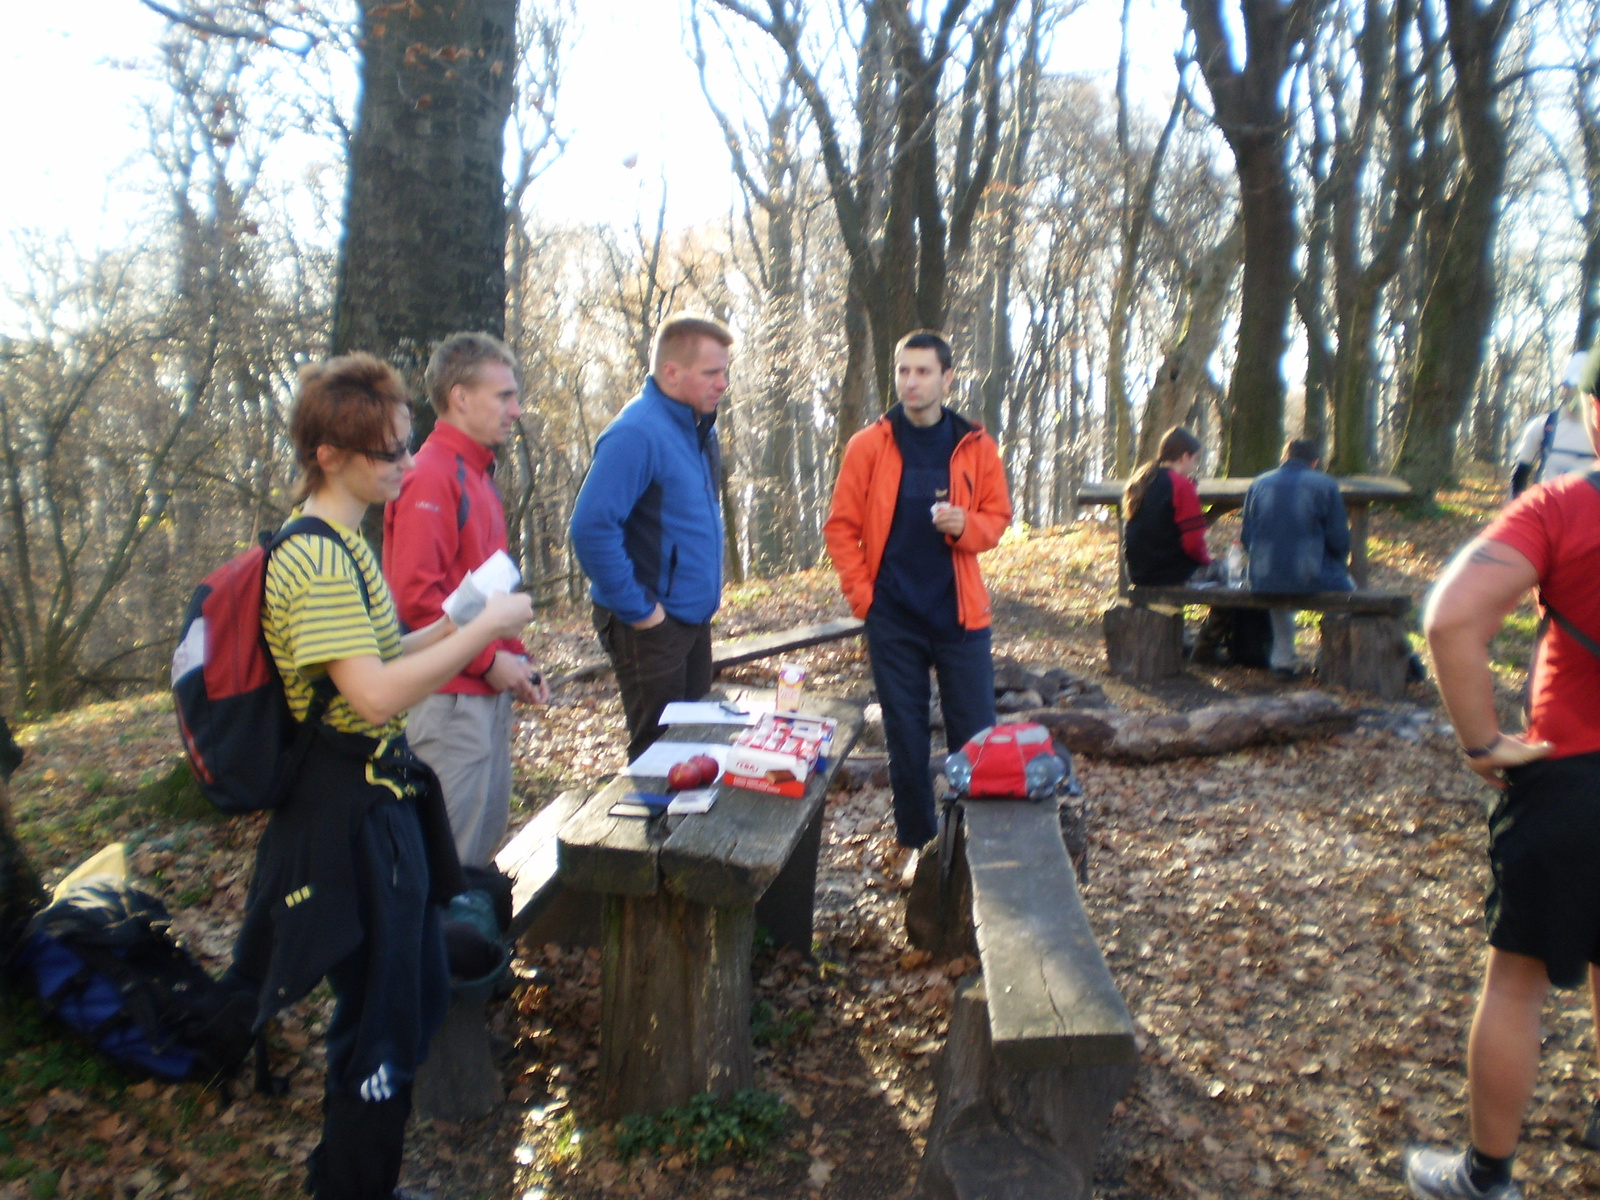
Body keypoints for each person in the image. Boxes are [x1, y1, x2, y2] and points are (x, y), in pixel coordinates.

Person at [227, 354, 534, 1200]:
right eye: (386, 453)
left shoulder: (347, 544)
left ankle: (352, 1180)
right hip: (345, 813)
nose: (404, 465)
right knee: (381, 1019)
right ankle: (356, 1187)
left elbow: (389, 649)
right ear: (329, 455)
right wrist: (486, 637)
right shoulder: (316, 559)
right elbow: (368, 696)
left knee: (404, 996)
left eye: (405, 446)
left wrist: (464, 615)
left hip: (379, 803)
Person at [1404, 347, 1600, 1200]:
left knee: (1518, 978)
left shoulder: (1565, 506)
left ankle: (1487, 1180)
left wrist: (1483, 742)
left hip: (1571, 776)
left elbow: (1451, 620)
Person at [824, 330, 1012, 851]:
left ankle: (978, 845)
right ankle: (918, 847)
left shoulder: (974, 444)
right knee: (905, 745)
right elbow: (840, 528)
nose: (911, 381)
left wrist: (964, 526)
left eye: (923, 371)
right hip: (894, 619)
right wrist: (866, 600)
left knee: (976, 741)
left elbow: (997, 520)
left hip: (960, 617)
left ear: (947, 378)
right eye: (903, 371)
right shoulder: (870, 445)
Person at [383, 332, 548, 872]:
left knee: (475, 854)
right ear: (459, 397)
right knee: (444, 863)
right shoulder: (431, 474)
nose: (515, 410)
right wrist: (488, 660)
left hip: (482, 696)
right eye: (503, 395)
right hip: (447, 703)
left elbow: (483, 593)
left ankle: (471, 954)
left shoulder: (476, 474)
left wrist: (516, 661)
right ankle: (438, 959)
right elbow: (414, 603)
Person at [569, 314, 731, 763]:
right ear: (672, 372)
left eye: (725, 371)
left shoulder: (699, 427)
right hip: (649, 625)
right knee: (660, 756)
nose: (722, 383)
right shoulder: (636, 433)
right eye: (711, 372)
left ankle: (693, 833)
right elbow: (590, 526)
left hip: (691, 619)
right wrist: (642, 612)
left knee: (697, 743)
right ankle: (657, 832)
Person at [1240, 438, 1353, 678]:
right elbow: (1339, 539)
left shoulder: (1259, 484)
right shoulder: (1325, 485)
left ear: (1284, 458)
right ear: (1314, 462)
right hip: (1311, 574)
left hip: (1263, 575)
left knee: (1278, 583)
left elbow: (1247, 536)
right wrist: (1336, 563)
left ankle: (1283, 659)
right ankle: (1327, 656)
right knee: (1350, 595)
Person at [1123, 426, 1214, 586]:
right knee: (1226, 575)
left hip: (1138, 573)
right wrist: (1207, 561)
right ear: (1185, 457)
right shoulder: (1181, 486)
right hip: (1170, 573)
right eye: (1195, 460)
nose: (1194, 466)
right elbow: (1194, 543)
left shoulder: (1143, 479)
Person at [1508, 350, 1596, 500]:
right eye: (1576, 389)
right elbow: (1520, 475)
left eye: (1587, 391)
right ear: (1565, 388)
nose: (1581, 397)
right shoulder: (1543, 426)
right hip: (1549, 514)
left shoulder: (1597, 433)